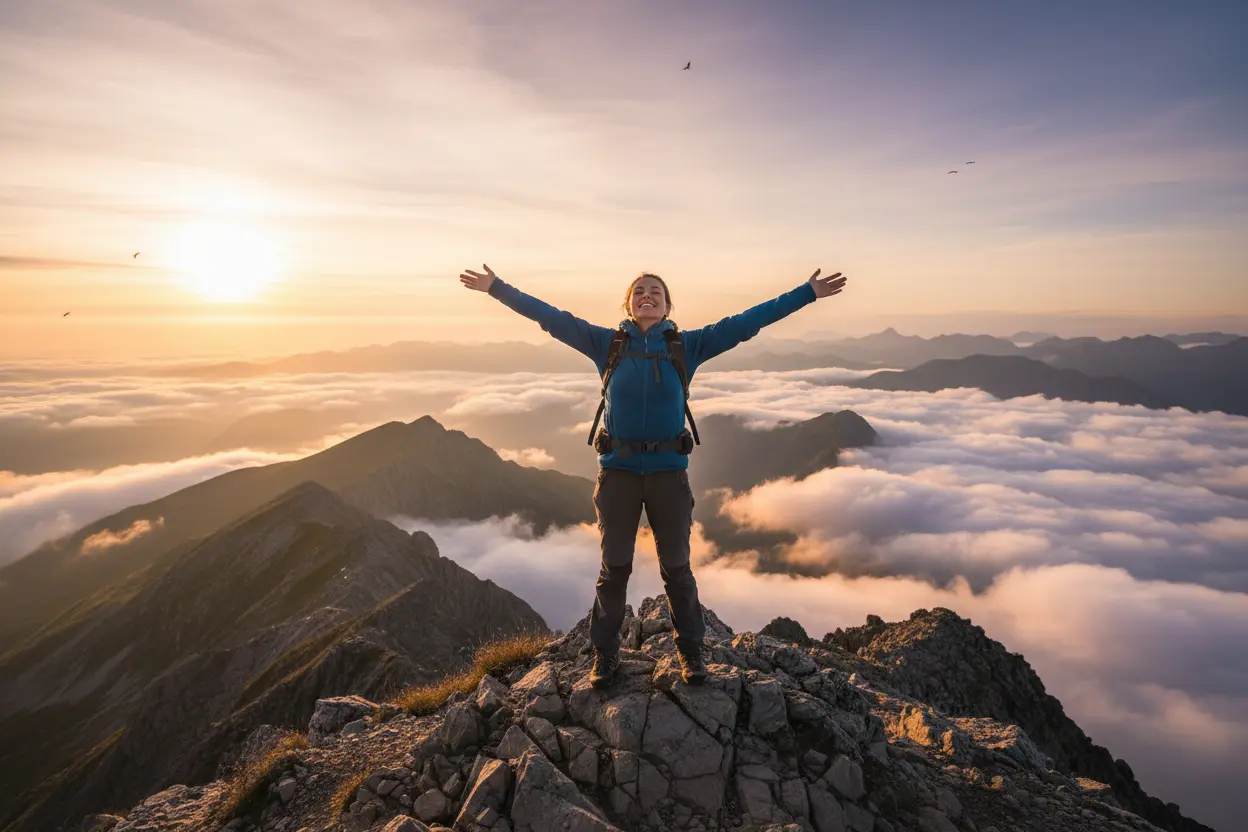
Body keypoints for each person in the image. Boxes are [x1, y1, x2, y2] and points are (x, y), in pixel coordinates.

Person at [459, 263, 849, 687]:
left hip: (668, 476)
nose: (647, 295)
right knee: (614, 570)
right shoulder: (606, 343)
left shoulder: (687, 346)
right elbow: (550, 317)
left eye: (656, 292)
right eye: (639, 291)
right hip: (618, 476)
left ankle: (691, 653)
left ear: (667, 306)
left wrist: (806, 293)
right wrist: (496, 288)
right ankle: (605, 656)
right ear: (628, 304)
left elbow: (747, 323)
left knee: (677, 569)